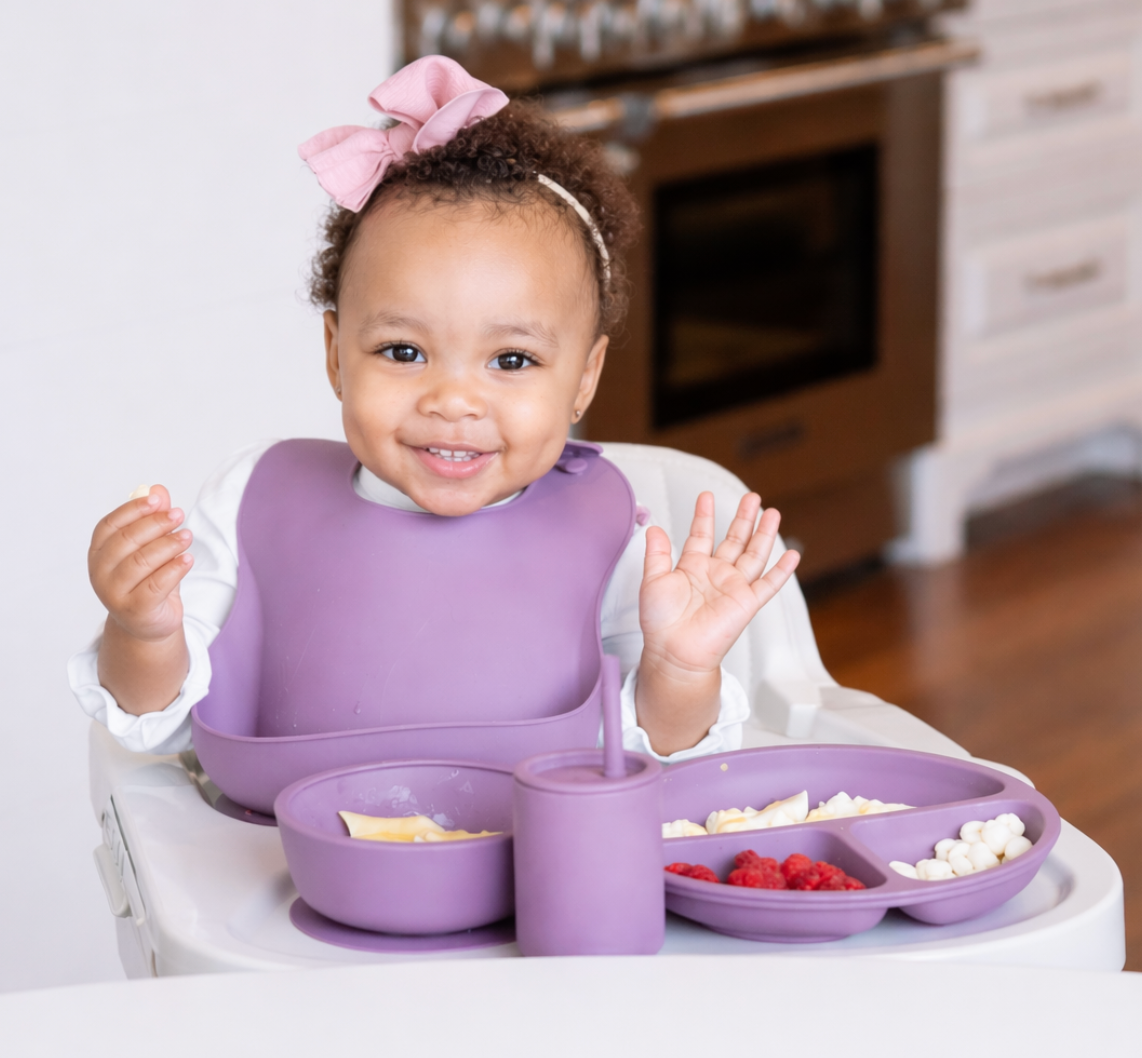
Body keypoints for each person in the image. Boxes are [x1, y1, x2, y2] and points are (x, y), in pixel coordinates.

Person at [70, 56, 800, 765]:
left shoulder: (617, 543)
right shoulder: (252, 504)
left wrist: (677, 669)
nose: (453, 401)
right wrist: (142, 631)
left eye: (511, 361)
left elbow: (659, 754)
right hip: (285, 869)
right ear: (334, 352)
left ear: (584, 378)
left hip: (531, 883)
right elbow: (153, 725)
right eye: (402, 351)